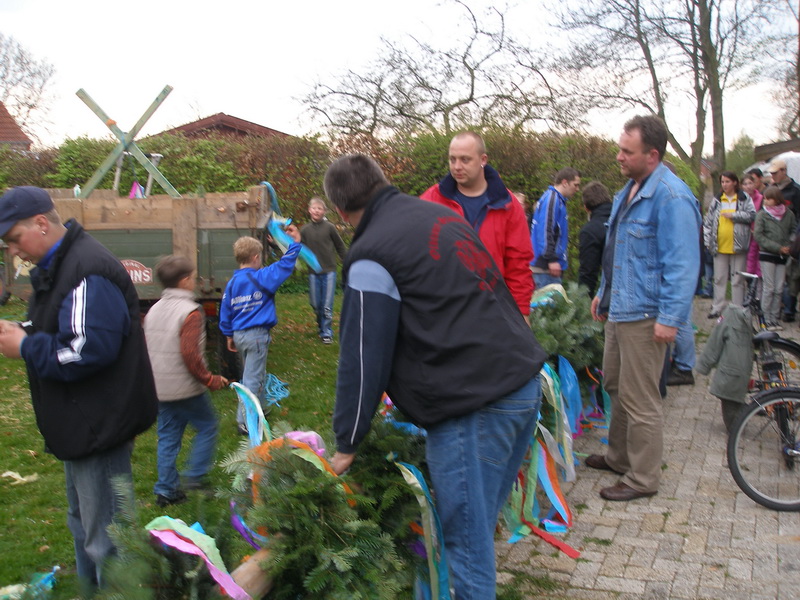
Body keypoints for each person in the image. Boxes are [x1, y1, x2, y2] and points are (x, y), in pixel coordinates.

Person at [325, 154, 546, 598]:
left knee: (465, 543)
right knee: (477, 531)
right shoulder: (441, 216)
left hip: (474, 406)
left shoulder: (371, 255)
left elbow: (363, 355)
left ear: (339, 212)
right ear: (383, 182)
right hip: (522, 383)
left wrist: (347, 441)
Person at [0, 186, 158, 593]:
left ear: (40, 224)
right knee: (83, 525)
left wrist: (25, 346)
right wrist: (28, 330)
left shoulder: (87, 268)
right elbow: (65, 326)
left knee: (108, 539)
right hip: (81, 424)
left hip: (98, 426)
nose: (15, 252)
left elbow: (88, 351)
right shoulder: (63, 265)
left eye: (14, 240)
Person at [587, 116, 700, 502]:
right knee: (616, 385)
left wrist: (670, 320)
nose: (618, 156)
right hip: (620, 308)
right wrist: (603, 290)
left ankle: (642, 478)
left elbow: (683, 265)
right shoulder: (629, 190)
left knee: (641, 398)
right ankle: (619, 457)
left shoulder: (672, 198)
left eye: (626, 151)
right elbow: (617, 248)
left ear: (651, 155)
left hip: (646, 315)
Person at [144, 255, 229, 507]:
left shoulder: (154, 309)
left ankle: (166, 490)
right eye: (192, 277)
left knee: (168, 436)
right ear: (184, 281)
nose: (194, 280)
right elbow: (190, 355)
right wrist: (210, 379)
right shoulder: (190, 312)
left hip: (160, 387)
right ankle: (194, 475)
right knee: (208, 425)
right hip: (186, 387)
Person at [421, 131, 534, 314]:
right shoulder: (431, 199)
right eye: (452, 159)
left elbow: (518, 264)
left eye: (465, 160)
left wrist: (522, 312)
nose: (457, 166)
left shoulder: (508, 205)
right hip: (442, 310)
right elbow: (413, 250)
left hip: (491, 309)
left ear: (483, 159)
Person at [219, 231, 301, 434]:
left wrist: (228, 335)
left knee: (255, 373)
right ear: (256, 257)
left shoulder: (232, 283)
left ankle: (261, 408)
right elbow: (285, 265)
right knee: (252, 380)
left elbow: (226, 310)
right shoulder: (262, 277)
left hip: (239, 335)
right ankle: (244, 422)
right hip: (256, 336)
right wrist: (295, 243)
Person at [703, 171, 756, 319]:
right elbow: (708, 222)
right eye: (723, 182)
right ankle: (717, 306)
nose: (725, 185)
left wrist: (734, 215)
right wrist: (708, 242)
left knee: (737, 279)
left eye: (727, 181)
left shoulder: (744, 199)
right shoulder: (718, 200)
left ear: (734, 182)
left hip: (738, 245)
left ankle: (737, 308)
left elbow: (752, 215)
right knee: (719, 278)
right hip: (719, 245)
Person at [300, 197, 347, 344]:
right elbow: (294, 246)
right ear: (309, 210)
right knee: (315, 304)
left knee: (327, 305)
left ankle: (326, 332)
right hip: (313, 272)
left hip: (329, 271)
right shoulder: (305, 230)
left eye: (320, 209)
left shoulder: (330, 227)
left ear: (324, 211)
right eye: (314, 208)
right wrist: (275, 243)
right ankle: (321, 324)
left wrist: (348, 261)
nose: (316, 211)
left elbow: (340, 246)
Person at [753, 186, 797, 330]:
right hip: (767, 254)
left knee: (779, 288)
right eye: (764, 198)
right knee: (769, 287)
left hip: (783, 256)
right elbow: (759, 236)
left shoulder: (788, 214)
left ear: (777, 199)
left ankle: (774, 318)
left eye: (768, 198)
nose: (765, 201)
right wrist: (776, 247)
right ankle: (765, 319)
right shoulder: (762, 215)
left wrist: (789, 245)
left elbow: (793, 230)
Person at [530, 167, 581, 288]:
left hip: (550, 267)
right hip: (545, 268)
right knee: (547, 306)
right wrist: (551, 259)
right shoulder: (552, 199)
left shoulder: (558, 200)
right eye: (576, 185)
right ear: (564, 182)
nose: (577, 189)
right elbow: (545, 230)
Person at [577, 180, 612, 296]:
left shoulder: (590, 231)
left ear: (586, 208)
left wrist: (583, 302)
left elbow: (588, 272)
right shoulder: (623, 218)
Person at [742, 173, 764, 277]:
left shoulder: (761, 198)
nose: (748, 186)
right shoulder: (740, 199)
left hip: (756, 233)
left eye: (750, 183)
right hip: (743, 235)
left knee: (755, 259)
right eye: (745, 184)